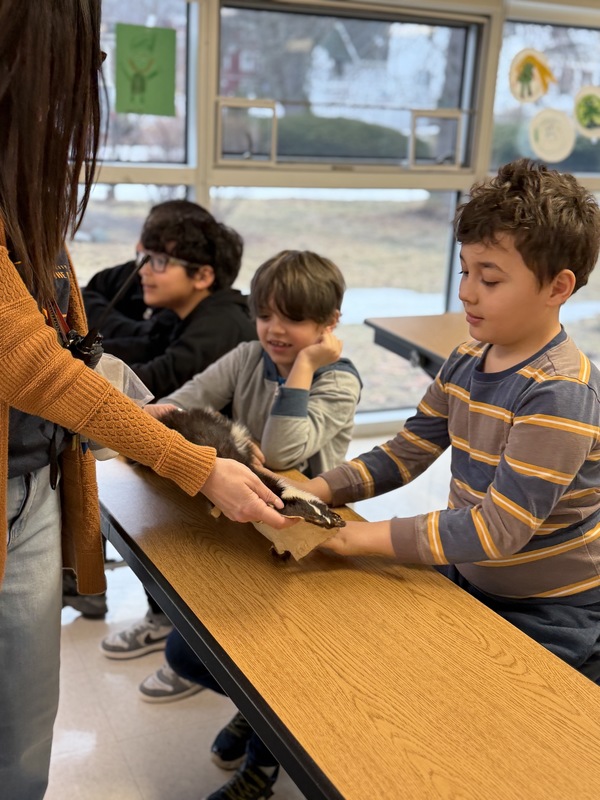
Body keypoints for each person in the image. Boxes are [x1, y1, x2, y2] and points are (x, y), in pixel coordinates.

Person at [0, 5, 291, 799]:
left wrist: (152, 424)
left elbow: (97, 345)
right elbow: (47, 356)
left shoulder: (229, 332)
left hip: (41, 480)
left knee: (24, 729)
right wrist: (187, 459)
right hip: (33, 477)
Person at [305, 158, 600, 686]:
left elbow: (498, 528)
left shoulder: (560, 392)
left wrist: (357, 539)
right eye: (466, 271)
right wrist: (316, 490)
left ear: (558, 287)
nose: (466, 291)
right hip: (470, 569)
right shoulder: (468, 356)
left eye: (489, 278)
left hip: (551, 607)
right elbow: (405, 452)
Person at [143, 250, 362, 800]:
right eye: (264, 315)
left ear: (329, 325)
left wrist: (305, 369)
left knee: (282, 668)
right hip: (246, 524)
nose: (275, 330)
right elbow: (175, 405)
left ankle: (263, 769)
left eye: (292, 319)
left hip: (306, 540)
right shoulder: (246, 355)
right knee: (186, 654)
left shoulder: (337, 380)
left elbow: (288, 450)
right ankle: (254, 713)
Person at [63, 200, 256, 621]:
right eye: (143, 257)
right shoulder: (177, 313)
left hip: (222, 469)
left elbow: (157, 383)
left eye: (159, 261)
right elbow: (94, 295)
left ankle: (163, 616)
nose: (143, 270)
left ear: (203, 275)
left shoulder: (220, 326)